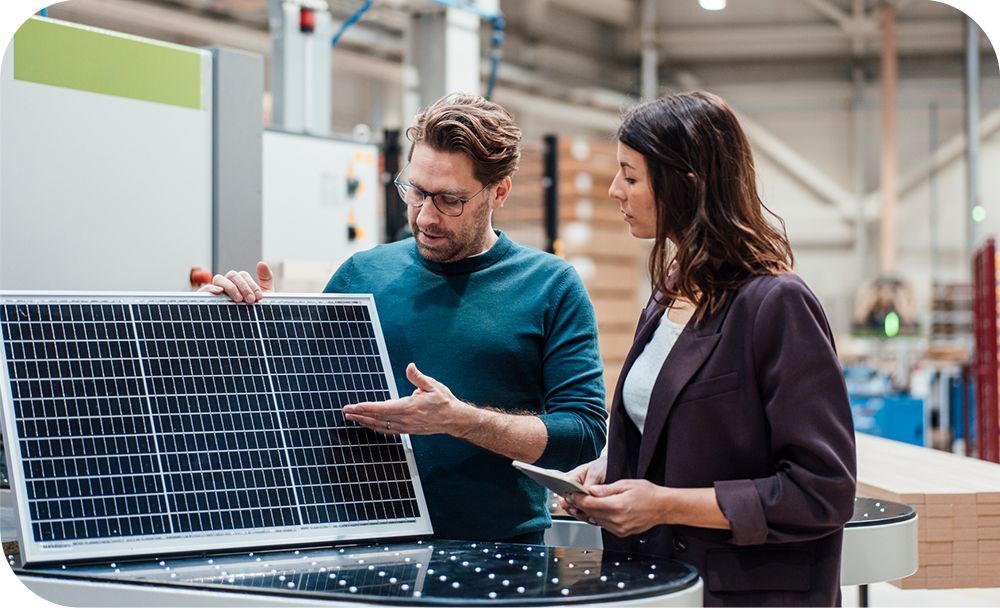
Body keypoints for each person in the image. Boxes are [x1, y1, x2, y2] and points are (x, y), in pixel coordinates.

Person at [205, 93, 607, 544]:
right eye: (415, 191)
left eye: (449, 200)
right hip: (360, 539)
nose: (425, 216)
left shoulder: (550, 286)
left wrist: (460, 420)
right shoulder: (362, 273)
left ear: (500, 192)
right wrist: (249, 323)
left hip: (494, 548)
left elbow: (582, 433)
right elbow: (294, 396)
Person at [559, 91, 857, 606]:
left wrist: (664, 504)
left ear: (686, 184)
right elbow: (681, 436)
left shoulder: (776, 304)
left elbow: (822, 490)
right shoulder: (668, 295)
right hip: (656, 580)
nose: (614, 190)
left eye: (630, 177)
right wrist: (616, 468)